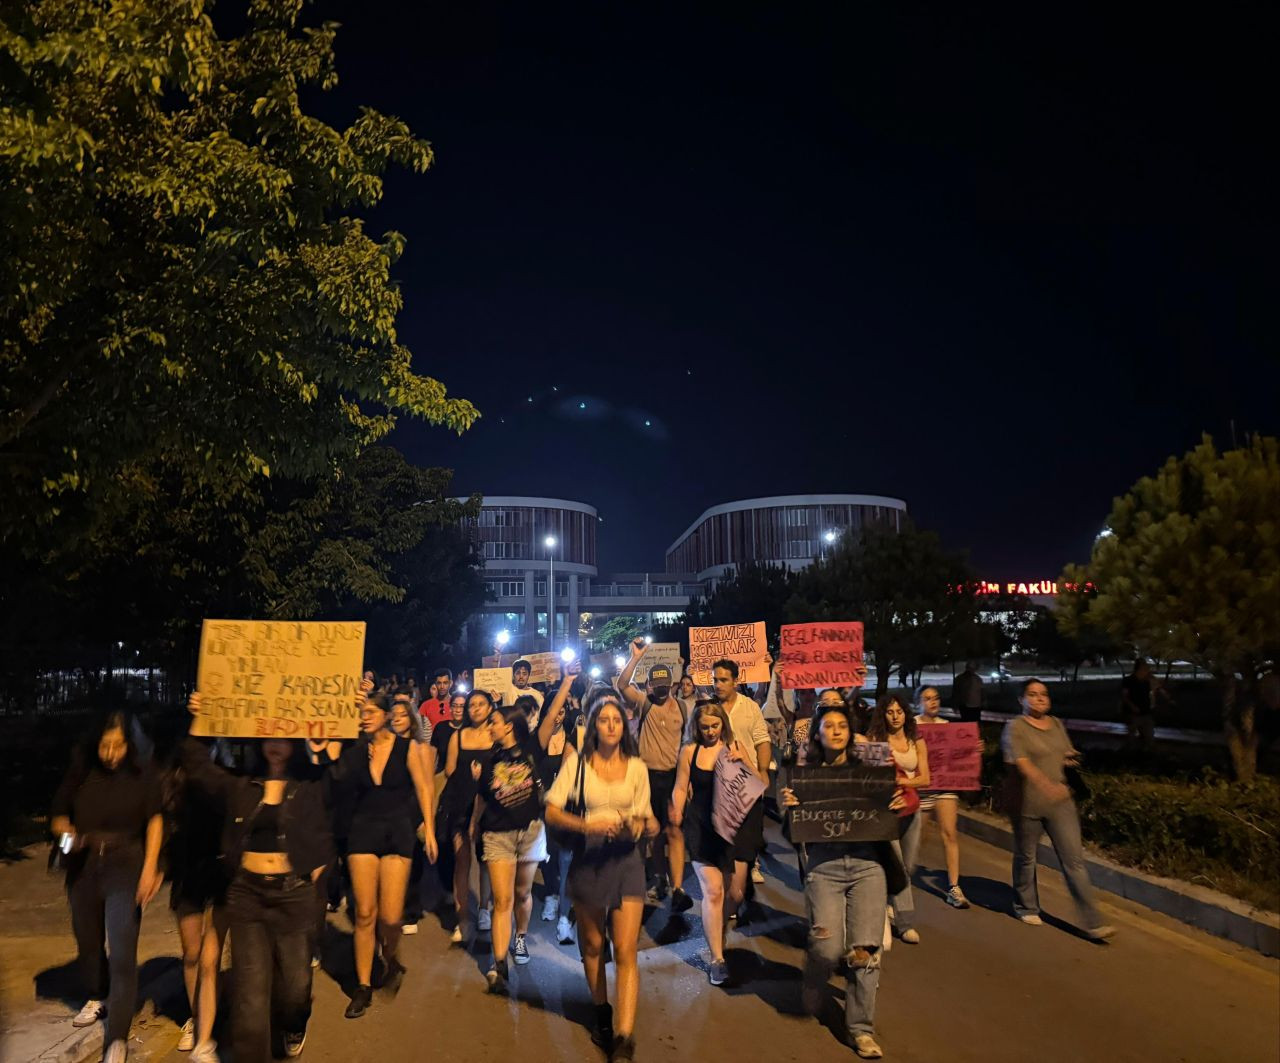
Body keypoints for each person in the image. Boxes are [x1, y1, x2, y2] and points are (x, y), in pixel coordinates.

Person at [181, 695, 334, 1063]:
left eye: (284, 736)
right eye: (269, 736)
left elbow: (347, 779)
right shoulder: (240, 785)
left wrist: (340, 732)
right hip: (246, 894)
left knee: (295, 988)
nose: (276, 745)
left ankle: (294, 1022)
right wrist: (201, 721)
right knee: (250, 998)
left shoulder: (310, 783)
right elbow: (197, 766)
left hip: (294, 895)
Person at [780, 702, 908, 1060]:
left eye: (842, 725)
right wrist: (790, 808)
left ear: (850, 733)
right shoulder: (806, 776)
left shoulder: (870, 770)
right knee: (827, 947)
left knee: (865, 953)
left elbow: (895, 810)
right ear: (817, 735)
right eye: (828, 726)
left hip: (869, 868)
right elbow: (793, 833)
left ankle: (860, 1029)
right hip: (825, 868)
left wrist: (898, 802)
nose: (836, 731)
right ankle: (814, 974)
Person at [544, 692, 659, 1061]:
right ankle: (602, 1013)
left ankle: (625, 1036)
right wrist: (587, 824)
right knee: (593, 946)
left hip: (627, 862)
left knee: (626, 949)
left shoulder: (637, 767)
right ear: (593, 725)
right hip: (589, 861)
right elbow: (551, 811)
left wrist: (639, 825)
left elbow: (648, 818)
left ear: (624, 726)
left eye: (616, 720)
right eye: (603, 719)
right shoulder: (577, 763)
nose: (610, 725)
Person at [51, 711, 164, 1063]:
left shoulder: (143, 775)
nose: (111, 752)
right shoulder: (81, 772)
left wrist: (150, 868)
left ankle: (117, 1038)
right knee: (87, 940)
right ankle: (97, 995)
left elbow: (156, 820)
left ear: (129, 745)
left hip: (126, 863)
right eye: (105, 745)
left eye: (117, 745)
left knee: (123, 949)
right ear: (95, 744)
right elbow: (57, 814)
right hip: (84, 866)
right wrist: (66, 835)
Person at [337, 692, 438, 1018]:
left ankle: (389, 955)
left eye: (370, 711)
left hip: (398, 832)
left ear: (383, 715)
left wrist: (431, 831)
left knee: (391, 917)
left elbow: (424, 786)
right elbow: (336, 773)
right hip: (362, 832)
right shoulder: (355, 752)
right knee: (365, 913)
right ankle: (363, 986)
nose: (365, 716)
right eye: (362, 712)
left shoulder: (406, 748)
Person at [1001, 679, 1115, 940]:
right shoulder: (1015, 727)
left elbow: (1066, 754)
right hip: (1028, 803)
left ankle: (1092, 922)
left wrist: (1073, 762)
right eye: (1032, 694)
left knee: (1074, 861)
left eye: (1043, 694)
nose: (1039, 698)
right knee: (1026, 857)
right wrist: (1045, 785)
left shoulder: (1056, 724)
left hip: (1061, 803)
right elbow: (1022, 763)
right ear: (1021, 700)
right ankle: (1025, 905)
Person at [472, 699, 561, 992]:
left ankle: (520, 936)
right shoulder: (488, 760)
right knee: (502, 901)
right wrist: (474, 824)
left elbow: (549, 716)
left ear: (509, 726)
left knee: (522, 893)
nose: (489, 726)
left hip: (531, 833)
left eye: (494, 722)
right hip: (498, 836)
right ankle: (499, 964)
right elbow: (483, 798)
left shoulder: (533, 748)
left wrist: (567, 680)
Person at [163, 740, 229, 1062]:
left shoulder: (225, 778)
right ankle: (196, 1016)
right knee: (191, 953)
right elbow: (158, 825)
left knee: (209, 957)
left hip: (219, 873)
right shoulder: (172, 781)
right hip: (187, 875)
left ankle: (208, 1025)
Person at [616, 638, 693, 912]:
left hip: (673, 778)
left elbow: (689, 744)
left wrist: (687, 780)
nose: (660, 690)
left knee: (674, 829)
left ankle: (678, 888)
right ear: (649, 685)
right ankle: (660, 877)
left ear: (672, 684)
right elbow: (622, 685)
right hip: (647, 778)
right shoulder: (643, 703)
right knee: (654, 834)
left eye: (664, 685)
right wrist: (636, 657)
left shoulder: (683, 707)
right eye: (655, 685)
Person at [669, 700, 736, 986]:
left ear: (723, 725)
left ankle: (718, 932)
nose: (710, 731)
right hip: (700, 827)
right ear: (696, 727)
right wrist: (677, 809)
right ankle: (717, 958)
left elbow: (751, 785)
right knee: (713, 891)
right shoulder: (689, 751)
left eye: (715, 726)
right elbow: (681, 785)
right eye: (704, 726)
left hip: (729, 829)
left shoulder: (733, 749)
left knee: (735, 894)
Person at [867, 693, 930, 944]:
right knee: (898, 866)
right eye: (890, 712)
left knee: (909, 866)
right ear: (883, 715)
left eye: (900, 711)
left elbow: (925, 778)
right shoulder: (875, 741)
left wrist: (904, 781)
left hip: (912, 809)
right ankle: (904, 923)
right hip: (886, 811)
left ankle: (888, 904)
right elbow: (872, 778)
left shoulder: (917, 741)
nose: (895, 716)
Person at [711, 658, 772, 907]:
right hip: (718, 787)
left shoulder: (750, 708)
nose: (718, 684)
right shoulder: (708, 709)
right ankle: (726, 899)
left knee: (746, 844)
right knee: (722, 846)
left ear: (736, 681)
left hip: (747, 785)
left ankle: (740, 890)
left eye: (724, 679)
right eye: (715, 679)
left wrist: (763, 771)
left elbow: (762, 741)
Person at [439, 690, 498, 943]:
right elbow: (450, 770)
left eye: (480, 704)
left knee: (486, 860)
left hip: (490, 807)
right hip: (461, 807)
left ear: (490, 707)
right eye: (471, 705)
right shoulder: (458, 736)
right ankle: (462, 918)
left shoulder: (496, 735)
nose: (475, 709)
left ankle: (484, 909)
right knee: (461, 862)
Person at [539, 664, 591, 944]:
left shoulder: (575, 736)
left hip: (569, 807)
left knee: (567, 859)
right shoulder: (540, 739)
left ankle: (563, 917)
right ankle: (550, 895)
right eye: (553, 711)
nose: (558, 715)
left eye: (561, 711)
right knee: (547, 858)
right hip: (543, 809)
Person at [913, 685, 973, 909]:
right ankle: (900, 880)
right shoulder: (912, 726)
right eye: (927, 698)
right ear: (918, 703)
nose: (933, 702)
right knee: (918, 838)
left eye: (936, 698)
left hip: (945, 786)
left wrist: (971, 749)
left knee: (950, 834)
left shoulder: (948, 728)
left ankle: (954, 887)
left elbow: (957, 757)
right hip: (922, 787)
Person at [389, 694, 436, 935]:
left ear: (412, 719)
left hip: (411, 812)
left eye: (402, 715)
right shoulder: (383, 746)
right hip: (388, 812)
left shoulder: (421, 748)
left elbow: (427, 786)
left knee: (412, 864)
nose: (397, 719)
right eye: (393, 715)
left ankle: (410, 911)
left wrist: (428, 824)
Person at [1120, 659, 1168, 753]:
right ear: (1138, 669)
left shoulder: (1147, 681)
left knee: (1149, 736)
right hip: (1133, 713)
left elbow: (1158, 689)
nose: (1147, 670)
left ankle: (1147, 754)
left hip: (1146, 712)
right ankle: (1129, 755)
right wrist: (1132, 706)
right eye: (1145, 668)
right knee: (1131, 738)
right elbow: (1124, 696)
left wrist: (1166, 697)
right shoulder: (1128, 680)